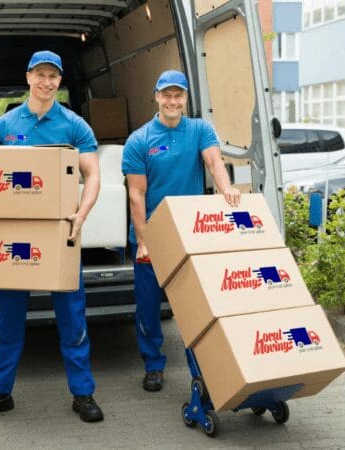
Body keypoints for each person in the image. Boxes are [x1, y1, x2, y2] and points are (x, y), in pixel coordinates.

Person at [0, 50, 104, 423]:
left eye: (53, 76)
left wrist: (82, 212)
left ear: (59, 81)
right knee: (8, 320)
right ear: (28, 77)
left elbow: (93, 174)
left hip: (60, 237)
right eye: (41, 75)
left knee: (72, 320)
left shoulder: (74, 126)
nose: (47, 82)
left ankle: (83, 394)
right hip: (16, 238)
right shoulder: (4, 127)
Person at [122, 70, 241, 392]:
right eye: (166, 95)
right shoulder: (140, 140)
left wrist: (226, 188)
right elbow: (137, 194)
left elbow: (214, 162)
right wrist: (144, 241)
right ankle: (154, 366)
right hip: (153, 236)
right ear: (156, 96)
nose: (172, 101)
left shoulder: (200, 129)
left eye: (178, 95)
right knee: (148, 309)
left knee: (194, 308)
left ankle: (200, 371)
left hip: (190, 233)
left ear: (185, 98)